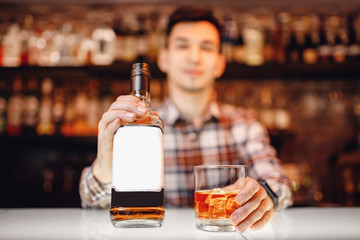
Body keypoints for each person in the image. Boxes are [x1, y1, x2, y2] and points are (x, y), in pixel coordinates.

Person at [79, 6, 293, 232]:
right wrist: (104, 166)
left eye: (206, 47)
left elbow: (279, 185)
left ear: (220, 63)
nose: (194, 56)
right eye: (182, 45)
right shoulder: (139, 126)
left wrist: (263, 196)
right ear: (164, 59)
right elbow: (90, 202)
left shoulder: (245, 125)